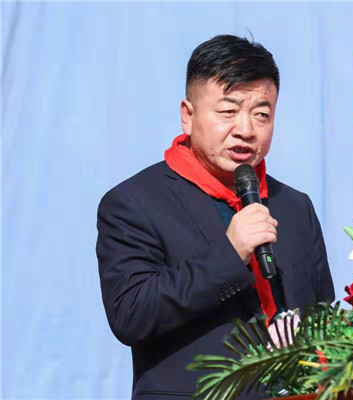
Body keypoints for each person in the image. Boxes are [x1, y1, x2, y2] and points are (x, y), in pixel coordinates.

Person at [96, 35, 335, 400]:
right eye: (228, 111)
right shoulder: (134, 203)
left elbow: (324, 320)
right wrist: (231, 253)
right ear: (188, 115)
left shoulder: (294, 206)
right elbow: (131, 315)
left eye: (262, 114)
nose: (246, 129)